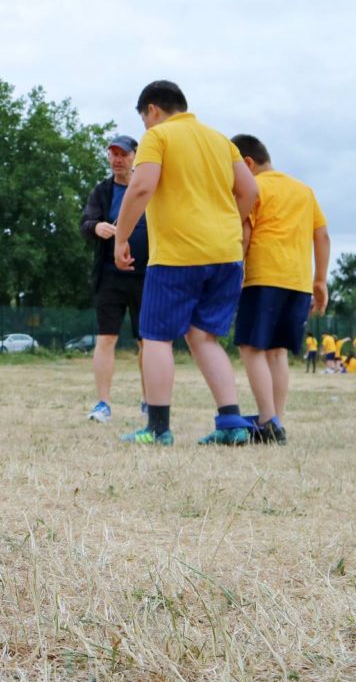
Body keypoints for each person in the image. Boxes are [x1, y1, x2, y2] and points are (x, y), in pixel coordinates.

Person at [113, 80, 258, 446]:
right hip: (226, 255)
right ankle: (232, 423)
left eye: (145, 119)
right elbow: (250, 191)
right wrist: (225, 225)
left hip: (179, 254)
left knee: (156, 337)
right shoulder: (220, 140)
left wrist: (121, 236)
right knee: (203, 336)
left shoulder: (158, 136)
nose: (146, 125)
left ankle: (157, 428)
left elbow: (142, 186)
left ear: (152, 110)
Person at [230, 134, 329, 445]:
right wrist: (320, 280)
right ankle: (277, 420)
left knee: (251, 347)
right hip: (298, 281)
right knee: (277, 351)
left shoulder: (253, 188)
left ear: (247, 164)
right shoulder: (304, 190)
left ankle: (266, 419)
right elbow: (322, 235)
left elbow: (246, 233)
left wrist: (234, 270)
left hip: (264, 276)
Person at [79, 134, 148, 423]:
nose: (118, 160)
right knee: (106, 338)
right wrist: (97, 228)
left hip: (147, 276)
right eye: (113, 154)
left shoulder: (147, 188)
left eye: (124, 154)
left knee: (147, 341)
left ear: (135, 157)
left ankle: (150, 402)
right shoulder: (102, 191)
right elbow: (85, 222)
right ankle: (103, 404)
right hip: (109, 276)